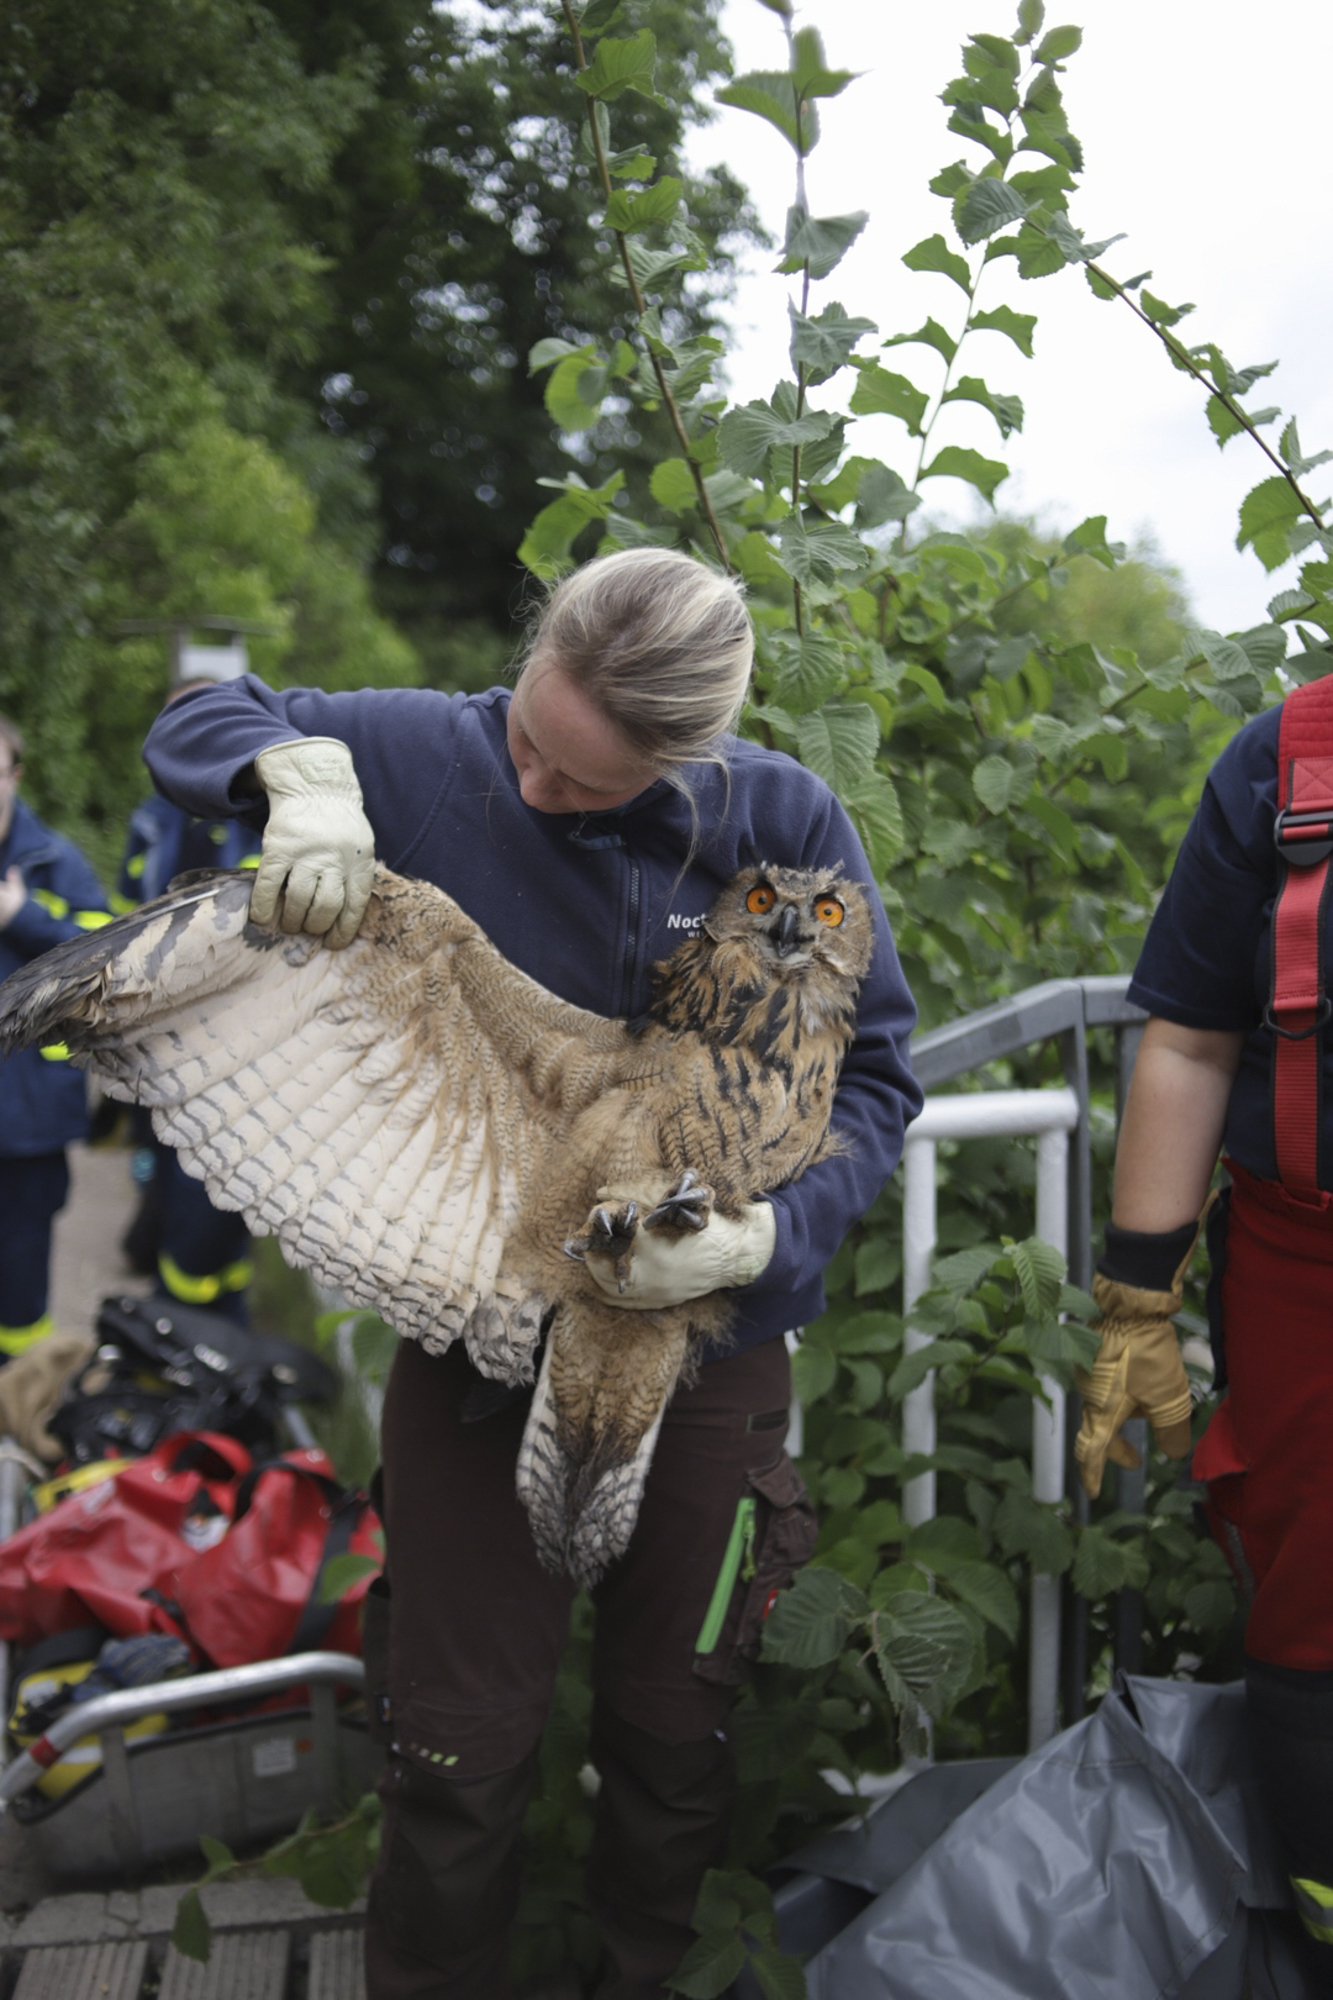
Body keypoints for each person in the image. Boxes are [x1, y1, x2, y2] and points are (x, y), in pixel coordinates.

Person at [142, 547, 923, 1998]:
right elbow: (202, 715)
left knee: (671, 1735)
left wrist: (770, 1240)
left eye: (590, 782)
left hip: (707, 1344)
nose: (543, 792)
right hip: (477, 1325)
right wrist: (291, 776)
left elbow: (875, 1077)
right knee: (454, 1744)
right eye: (532, 746)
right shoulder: (435, 755)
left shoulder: (782, 823)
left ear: (690, 762)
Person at [1075, 669, 1333, 1978]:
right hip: (1306, 1276)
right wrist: (1136, 1296)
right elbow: (1189, 1040)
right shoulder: (1286, 763)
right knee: (1311, 1611)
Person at [116, 673, 263, 1326]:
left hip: (236, 1046)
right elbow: (123, 911)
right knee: (167, 1177)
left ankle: (204, 1320)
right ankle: (186, 1307)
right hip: (155, 1033)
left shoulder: (266, 813)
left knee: (213, 1195)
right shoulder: (153, 816)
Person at [0, 714, 112, 1356]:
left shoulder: (54, 861)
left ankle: (18, 1416)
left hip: (27, 1119)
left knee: (18, 1281)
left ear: (15, 775)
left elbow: (103, 954)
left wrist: (24, 917)